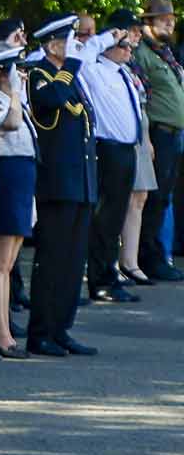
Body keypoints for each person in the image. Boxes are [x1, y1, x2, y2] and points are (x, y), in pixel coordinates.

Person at [26, 15, 97, 357]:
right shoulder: (39, 73)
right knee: (52, 260)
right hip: (57, 182)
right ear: (54, 44)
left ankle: (61, 328)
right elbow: (51, 101)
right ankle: (40, 332)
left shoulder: (69, 75)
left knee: (72, 261)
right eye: (69, 40)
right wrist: (69, 65)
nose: (75, 47)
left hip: (80, 182)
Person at [82, 21, 145, 302]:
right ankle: (101, 281)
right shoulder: (94, 69)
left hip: (127, 149)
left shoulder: (123, 73)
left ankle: (111, 272)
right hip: (108, 150)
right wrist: (106, 37)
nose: (129, 48)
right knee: (105, 219)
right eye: (123, 44)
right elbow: (80, 56)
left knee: (117, 217)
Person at [0, 41, 35, 358]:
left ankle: (6, 329)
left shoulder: (17, 101)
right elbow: (10, 125)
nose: (23, 75)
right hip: (7, 176)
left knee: (11, 260)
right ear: (2, 72)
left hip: (23, 177)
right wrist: (14, 93)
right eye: (18, 68)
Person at [135, 0, 184, 282]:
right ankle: (149, 258)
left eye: (171, 18)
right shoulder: (143, 53)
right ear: (148, 23)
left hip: (173, 134)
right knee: (153, 199)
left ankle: (153, 255)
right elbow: (142, 95)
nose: (170, 22)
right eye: (163, 18)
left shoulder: (165, 53)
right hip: (158, 133)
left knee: (162, 198)